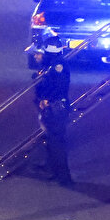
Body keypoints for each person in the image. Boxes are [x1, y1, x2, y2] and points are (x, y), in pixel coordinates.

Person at [32, 32, 72, 187]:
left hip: (57, 108)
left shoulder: (57, 66)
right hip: (53, 108)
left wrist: (47, 99)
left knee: (57, 143)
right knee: (52, 140)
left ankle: (64, 177)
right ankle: (53, 169)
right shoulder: (52, 64)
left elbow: (59, 87)